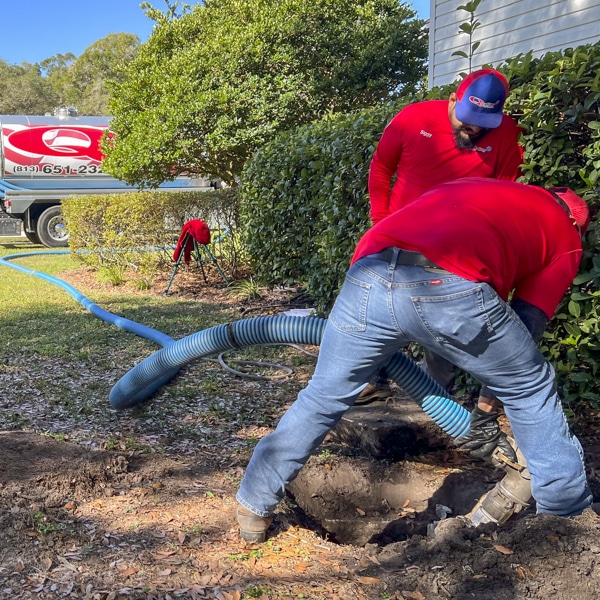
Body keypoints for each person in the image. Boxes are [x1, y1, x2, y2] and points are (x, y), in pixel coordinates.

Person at [235, 177, 593, 542]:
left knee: (323, 395)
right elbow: (526, 325)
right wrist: (485, 413)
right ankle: (564, 521)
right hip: (446, 284)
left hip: (367, 274)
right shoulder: (566, 236)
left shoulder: (485, 189)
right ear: (577, 221)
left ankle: (252, 504)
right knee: (530, 387)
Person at [361, 68, 524, 405]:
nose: (475, 127)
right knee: (377, 309)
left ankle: (433, 399)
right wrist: (379, 222)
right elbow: (380, 169)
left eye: (485, 122)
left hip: (457, 247)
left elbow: (504, 191)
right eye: (468, 117)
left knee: (447, 322)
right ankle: (374, 379)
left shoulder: (507, 134)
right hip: (400, 234)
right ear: (453, 99)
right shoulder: (412, 118)